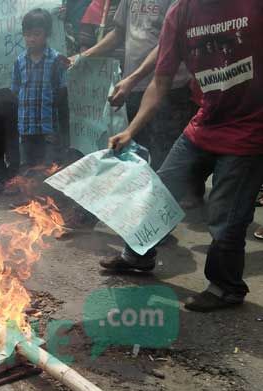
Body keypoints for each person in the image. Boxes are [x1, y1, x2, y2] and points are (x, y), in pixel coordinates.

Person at [102, 0, 263, 312]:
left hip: (250, 131)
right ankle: (138, 256)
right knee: (158, 192)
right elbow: (161, 80)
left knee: (225, 216)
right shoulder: (181, 12)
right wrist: (131, 130)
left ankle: (226, 287)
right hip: (205, 123)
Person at [76, 0, 195, 172]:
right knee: (135, 157)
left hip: (169, 89)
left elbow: (168, 42)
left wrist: (132, 78)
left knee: (165, 162)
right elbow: (119, 33)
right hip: (133, 88)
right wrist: (84, 57)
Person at [11, 9, 68, 171]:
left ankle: (46, 196)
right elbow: (15, 89)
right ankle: (28, 195)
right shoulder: (19, 61)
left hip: (48, 126)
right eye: (28, 34)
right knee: (27, 167)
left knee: (48, 167)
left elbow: (61, 90)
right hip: (26, 125)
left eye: (36, 34)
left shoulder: (56, 59)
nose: (31, 39)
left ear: (47, 34)